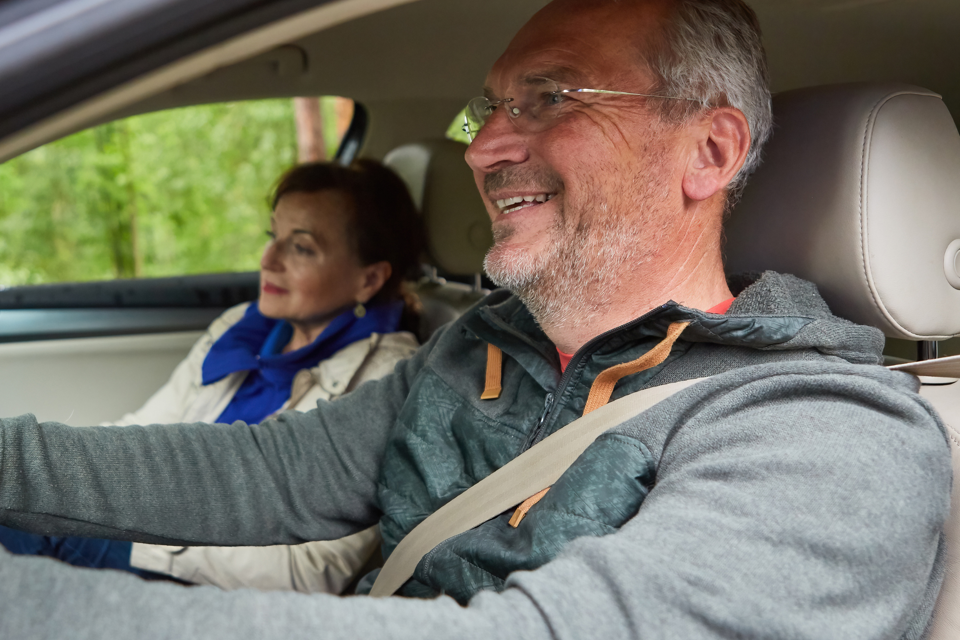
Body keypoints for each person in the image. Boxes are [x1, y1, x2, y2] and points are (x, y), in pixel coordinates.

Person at [0, 0, 951, 638]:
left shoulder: (829, 435)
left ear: (708, 151)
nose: (484, 147)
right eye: (489, 108)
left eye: (550, 99)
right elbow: (269, 472)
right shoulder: (484, 345)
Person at [0, 159, 425, 594]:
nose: (268, 261)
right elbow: (145, 428)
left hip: (215, 585)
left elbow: (309, 571)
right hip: (156, 541)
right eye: (272, 237)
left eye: (301, 247)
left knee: (25, 524)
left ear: (369, 279)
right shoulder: (240, 327)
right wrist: (64, 482)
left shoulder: (389, 378)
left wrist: (139, 528)